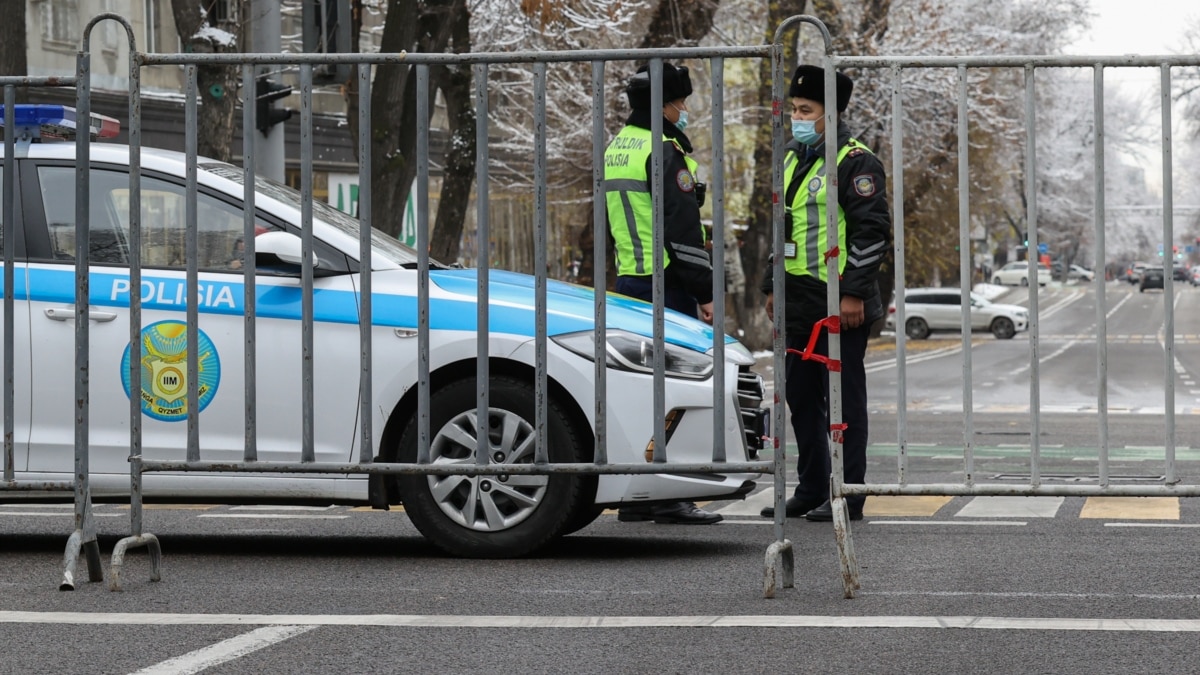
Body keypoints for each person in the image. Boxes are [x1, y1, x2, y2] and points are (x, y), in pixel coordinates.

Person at [759, 65, 892, 522]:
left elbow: (872, 232)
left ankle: (849, 493)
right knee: (800, 397)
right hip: (798, 297)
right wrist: (771, 285)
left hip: (840, 301)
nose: (796, 116)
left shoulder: (856, 161)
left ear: (831, 113)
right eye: (794, 108)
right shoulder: (794, 156)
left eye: (806, 109)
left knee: (845, 401)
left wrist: (853, 293)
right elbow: (782, 227)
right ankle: (813, 487)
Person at [605, 62, 722, 525]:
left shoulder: (618, 146)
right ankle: (667, 495)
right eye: (680, 102)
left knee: (638, 388)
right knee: (672, 388)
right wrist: (706, 292)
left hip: (630, 278)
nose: (684, 110)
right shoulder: (665, 151)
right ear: (663, 105)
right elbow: (682, 232)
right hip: (667, 281)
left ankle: (636, 495)